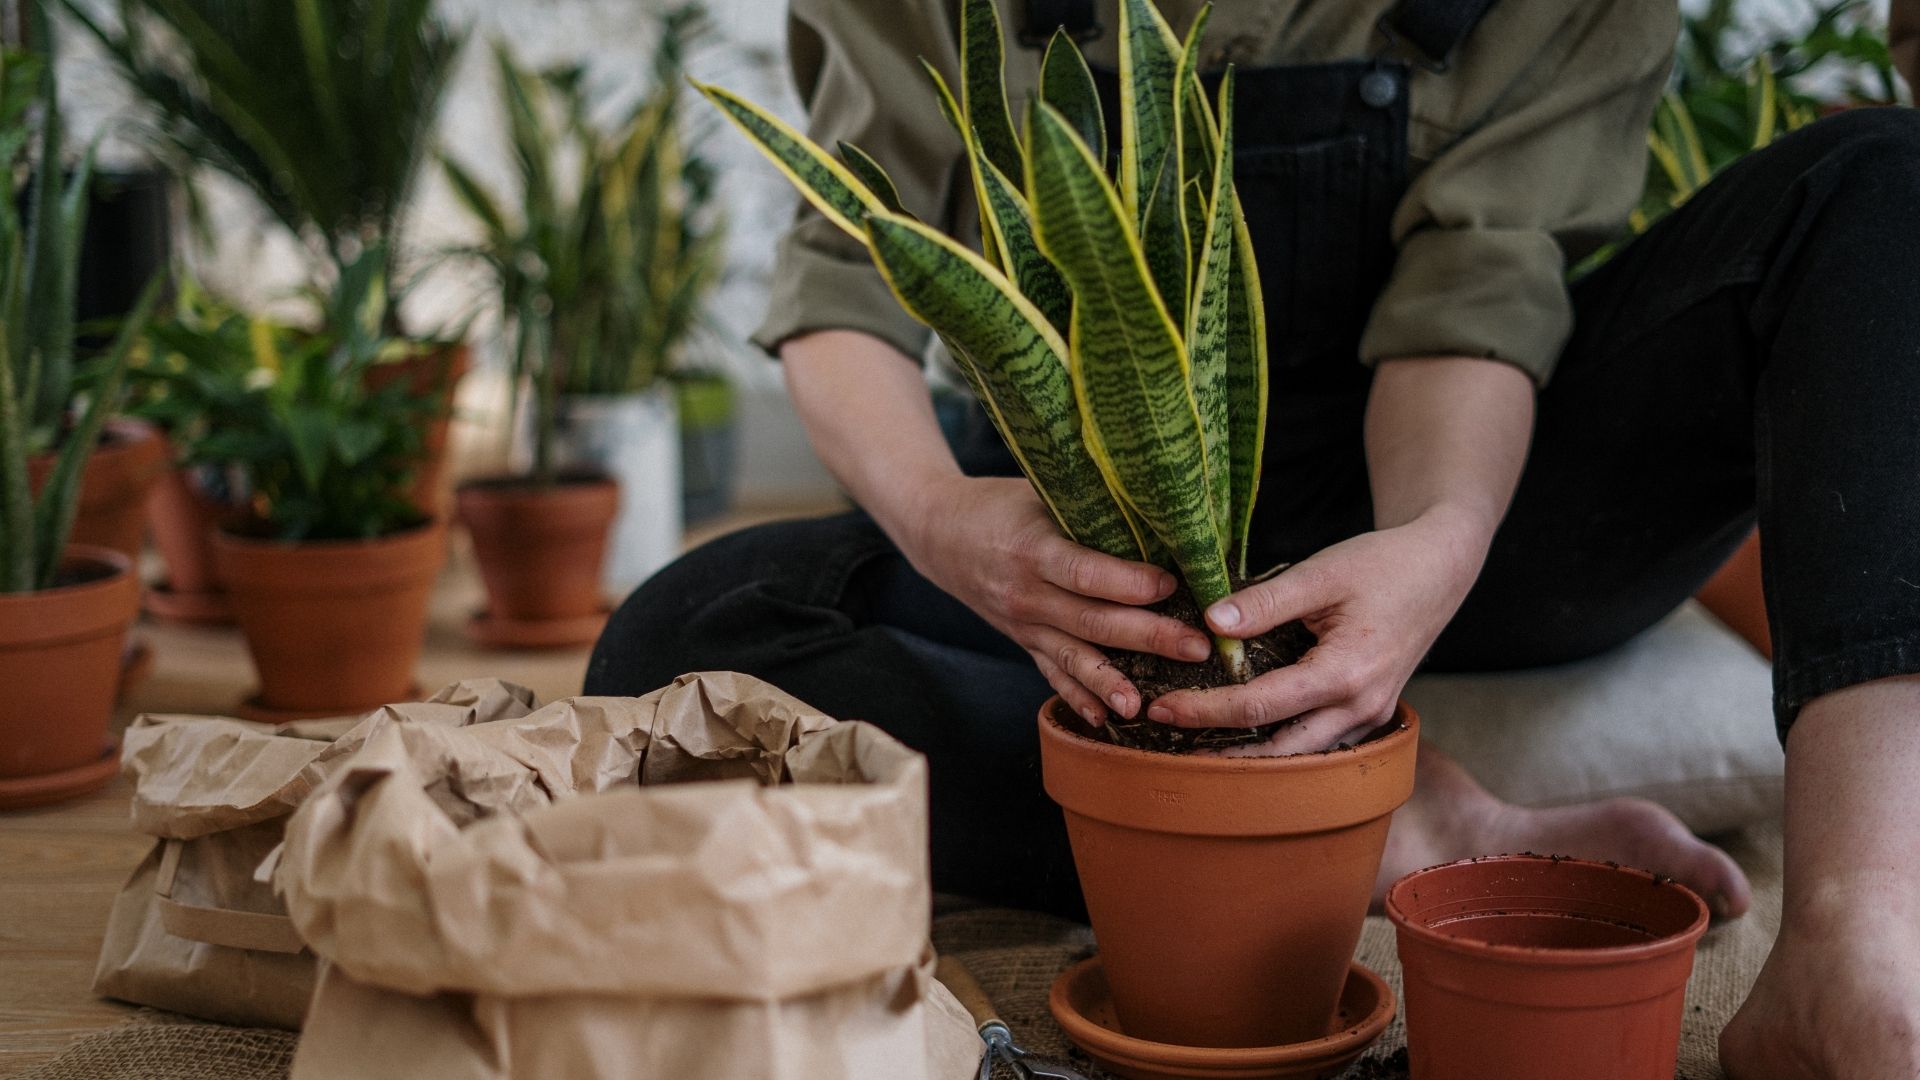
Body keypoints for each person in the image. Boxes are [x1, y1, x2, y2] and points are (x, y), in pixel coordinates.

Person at [588, 1, 1920, 1074]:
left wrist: (1441, 545)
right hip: (1110, 541)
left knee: (1877, 184)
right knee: (682, 644)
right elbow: (850, 279)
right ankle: (1390, 828)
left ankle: (1860, 933)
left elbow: (1477, 291)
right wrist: (945, 524)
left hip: (1480, 504)